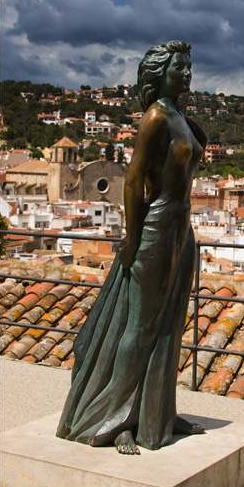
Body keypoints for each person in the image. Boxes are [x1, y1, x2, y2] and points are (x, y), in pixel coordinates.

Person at [56, 41, 207, 455]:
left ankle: (157, 413)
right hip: (158, 226)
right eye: (179, 67)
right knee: (140, 327)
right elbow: (134, 179)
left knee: (170, 325)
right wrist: (135, 238)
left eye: (189, 66)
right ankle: (117, 418)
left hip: (182, 228)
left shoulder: (182, 120)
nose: (188, 73)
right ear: (161, 73)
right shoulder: (156, 117)